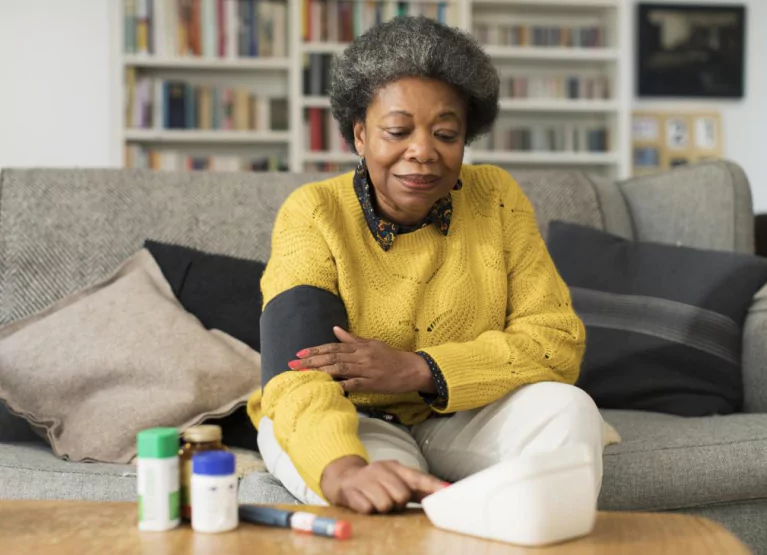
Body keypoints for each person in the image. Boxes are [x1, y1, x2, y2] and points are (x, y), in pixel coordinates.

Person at [247, 16, 604, 514]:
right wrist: (344, 470)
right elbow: (296, 374)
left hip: (467, 411)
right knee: (383, 498)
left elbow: (556, 341)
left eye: (445, 134)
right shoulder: (314, 214)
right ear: (359, 135)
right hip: (357, 419)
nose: (423, 152)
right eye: (397, 131)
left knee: (569, 412)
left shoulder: (496, 198)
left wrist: (419, 369)